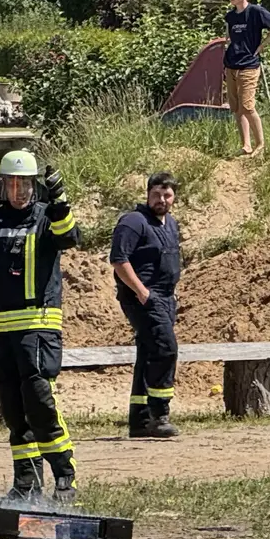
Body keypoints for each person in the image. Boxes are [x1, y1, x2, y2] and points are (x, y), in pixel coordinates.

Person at [0, 150, 81, 500]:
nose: (19, 190)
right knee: (13, 408)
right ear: (2, 184)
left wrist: (60, 201)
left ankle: (64, 475)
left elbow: (69, 237)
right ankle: (26, 483)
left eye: (26, 183)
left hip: (38, 323)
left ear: (34, 185)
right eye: (12, 183)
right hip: (0, 326)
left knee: (40, 399)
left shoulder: (47, 216)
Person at [110, 170, 182, 439]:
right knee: (166, 349)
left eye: (167, 195)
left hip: (166, 298)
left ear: (174, 197)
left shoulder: (170, 224)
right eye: (156, 194)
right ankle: (159, 415)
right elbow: (119, 260)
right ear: (147, 194)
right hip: (143, 297)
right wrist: (142, 293)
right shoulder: (133, 222)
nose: (161, 199)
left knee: (149, 352)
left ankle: (139, 421)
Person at [223, 0, 270, 156]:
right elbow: (229, 36)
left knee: (248, 106)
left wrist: (263, 45)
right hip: (231, 65)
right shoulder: (230, 16)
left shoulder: (256, 12)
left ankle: (261, 145)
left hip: (249, 65)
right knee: (236, 108)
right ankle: (246, 145)